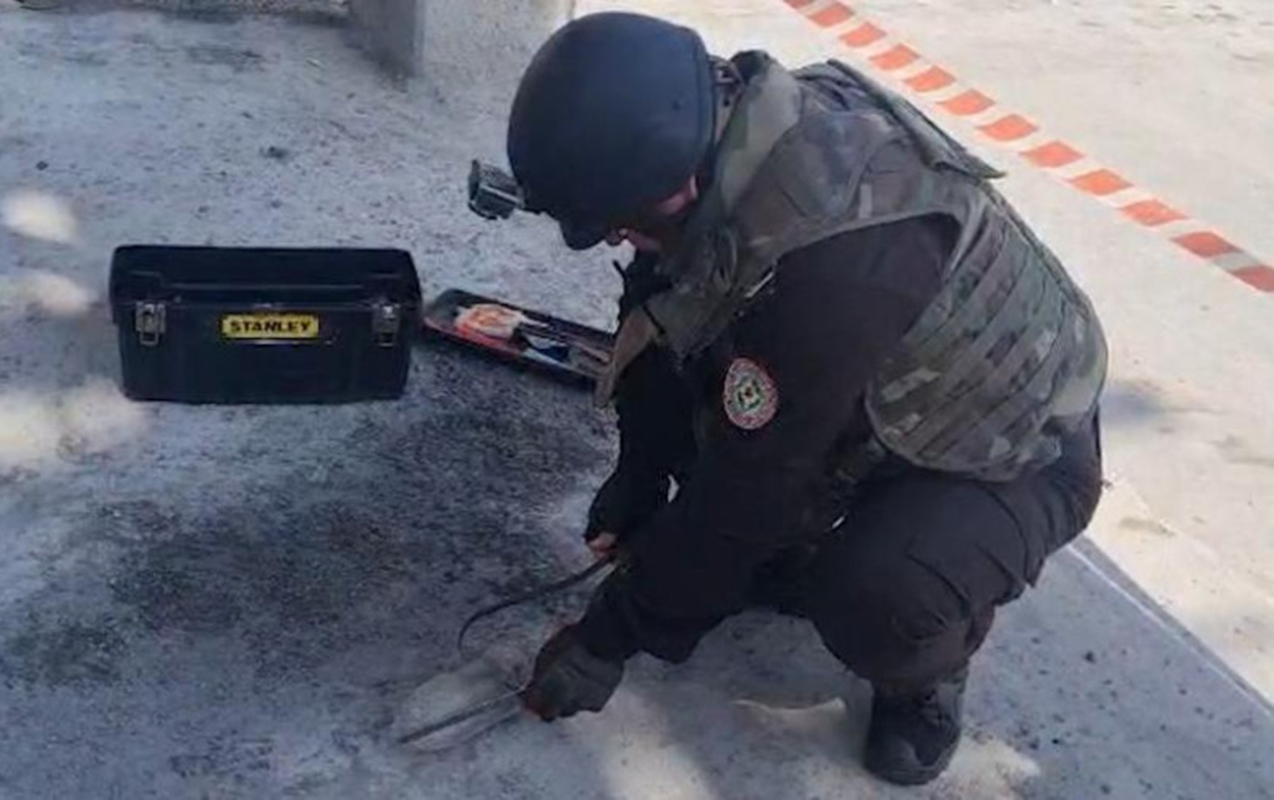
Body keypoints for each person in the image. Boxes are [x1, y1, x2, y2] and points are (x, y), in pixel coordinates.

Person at [493, 12, 1106, 786]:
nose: (618, 241)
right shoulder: (717, 131)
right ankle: (787, 550)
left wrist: (607, 638)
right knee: (726, 428)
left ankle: (926, 671)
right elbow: (657, 315)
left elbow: (752, 490)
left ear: (677, 189)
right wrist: (638, 480)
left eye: (621, 226)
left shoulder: (832, 269)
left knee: (874, 593)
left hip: (1013, 447)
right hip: (880, 386)